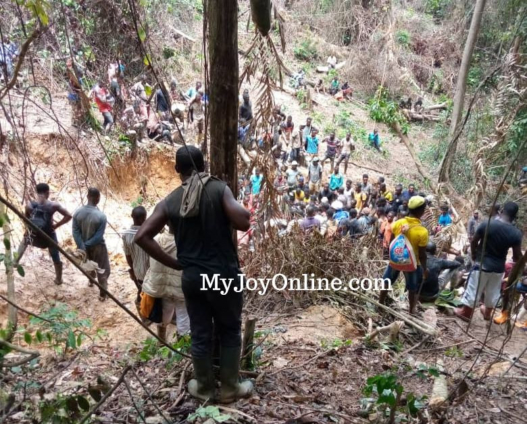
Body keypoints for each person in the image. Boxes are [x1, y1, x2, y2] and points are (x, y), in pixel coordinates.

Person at [134, 146, 253, 402]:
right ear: (203, 166)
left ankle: (204, 388)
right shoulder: (218, 189)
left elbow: (142, 237)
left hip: (193, 279)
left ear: (177, 169)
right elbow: (244, 222)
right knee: (230, 329)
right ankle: (231, 387)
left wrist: (175, 263)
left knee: (200, 333)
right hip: (223, 276)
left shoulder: (170, 201)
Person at [455, 201, 523, 322]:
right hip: (498, 268)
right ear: (514, 217)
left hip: (482, 264)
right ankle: (487, 313)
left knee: (474, 288)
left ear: (502, 211)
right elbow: (517, 256)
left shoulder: (487, 223)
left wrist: (474, 254)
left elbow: (474, 241)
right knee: (493, 291)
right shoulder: (516, 233)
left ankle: (466, 313)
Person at [379, 196, 429, 315]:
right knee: (412, 288)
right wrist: (424, 268)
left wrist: (391, 256)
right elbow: (422, 254)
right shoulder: (422, 231)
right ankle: (411, 310)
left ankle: (380, 303)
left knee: (387, 281)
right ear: (421, 211)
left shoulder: (398, 223)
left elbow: (392, 242)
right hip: (411, 263)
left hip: (396, 259)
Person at [141, 225, 190, 341]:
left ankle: (161, 339)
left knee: (164, 314)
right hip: (181, 288)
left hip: (161, 287)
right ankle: (182, 346)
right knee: (183, 316)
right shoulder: (187, 243)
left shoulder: (155, 240)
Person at [16, 183, 72, 285]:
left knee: (24, 240)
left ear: (36, 192)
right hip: (48, 235)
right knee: (55, 254)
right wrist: (56, 225)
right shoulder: (53, 205)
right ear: (47, 193)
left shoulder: (29, 205)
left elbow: (26, 219)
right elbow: (68, 215)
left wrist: (30, 228)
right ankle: (58, 279)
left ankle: (15, 261)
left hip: (33, 235)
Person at [72, 188, 111, 301]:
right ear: (98, 199)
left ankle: (90, 280)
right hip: (98, 247)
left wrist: (82, 245)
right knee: (102, 269)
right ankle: (102, 294)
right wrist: (87, 244)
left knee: (87, 264)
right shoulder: (101, 216)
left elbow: (75, 232)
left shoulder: (77, 213)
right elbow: (98, 236)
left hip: (82, 246)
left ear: (87, 196)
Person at [122, 206, 150, 306]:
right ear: (145, 218)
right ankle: (144, 309)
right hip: (150, 271)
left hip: (138, 271)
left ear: (131, 216)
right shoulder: (149, 233)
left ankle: (141, 308)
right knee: (148, 294)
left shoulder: (126, 235)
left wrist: (132, 269)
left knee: (142, 291)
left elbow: (128, 255)